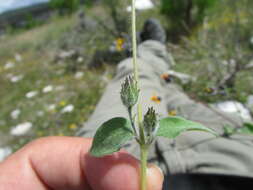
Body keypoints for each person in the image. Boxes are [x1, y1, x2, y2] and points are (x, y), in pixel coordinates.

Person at [1, 18, 253, 190]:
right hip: (231, 160)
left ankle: (144, 56)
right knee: (180, 100)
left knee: (134, 80)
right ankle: (155, 58)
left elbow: (96, 152)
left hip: (125, 154)